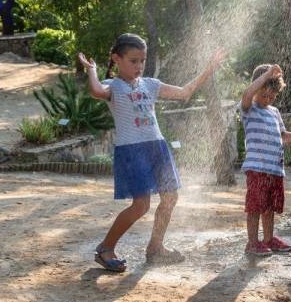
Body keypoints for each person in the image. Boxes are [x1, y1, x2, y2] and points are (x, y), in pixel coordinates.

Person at [78, 33, 225, 272]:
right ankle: (105, 248)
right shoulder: (114, 87)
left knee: (170, 197)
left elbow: (185, 92)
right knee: (140, 206)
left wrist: (209, 69)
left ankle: (155, 248)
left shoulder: (151, 85)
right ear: (117, 59)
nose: (139, 66)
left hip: (157, 147)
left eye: (142, 61)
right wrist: (92, 69)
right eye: (133, 60)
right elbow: (95, 90)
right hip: (132, 150)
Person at [240, 63, 291, 256]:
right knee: (254, 206)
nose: (268, 99)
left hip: (274, 169)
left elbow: (282, 134)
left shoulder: (274, 112)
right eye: (264, 95)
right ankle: (252, 242)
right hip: (257, 168)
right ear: (256, 89)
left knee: (268, 207)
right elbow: (247, 94)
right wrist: (268, 74)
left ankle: (268, 239)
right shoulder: (248, 108)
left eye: (272, 96)